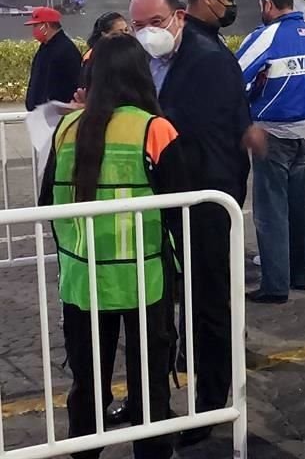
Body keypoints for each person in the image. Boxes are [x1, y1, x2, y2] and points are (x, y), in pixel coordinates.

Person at [40, 33, 189, 459]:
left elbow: (45, 203)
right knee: (150, 383)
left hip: (82, 279)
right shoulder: (155, 129)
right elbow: (181, 206)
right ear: (141, 75)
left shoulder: (67, 128)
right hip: (146, 279)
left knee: (88, 386)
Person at [129, 0, 251, 446]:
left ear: (178, 15)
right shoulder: (147, 60)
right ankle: (152, 403)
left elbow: (198, 132)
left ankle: (211, 404)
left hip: (205, 200)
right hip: (163, 198)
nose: (146, 34)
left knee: (206, 304)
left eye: (155, 23)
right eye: (138, 26)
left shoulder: (208, 60)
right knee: (163, 305)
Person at [236, 0, 305, 303]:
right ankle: (298, 274)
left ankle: (275, 285)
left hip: (271, 132)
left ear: (267, 4)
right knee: (296, 208)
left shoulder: (265, 37)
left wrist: (256, 93)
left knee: (270, 212)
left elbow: (234, 74)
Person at [24, 6, 82, 111]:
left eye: (36, 25)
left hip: (57, 114)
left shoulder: (66, 50)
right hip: (43, 113)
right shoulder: (46, 47)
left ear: (46, 25)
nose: (34, 30)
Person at [80, 12, 131, 92]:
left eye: (126, 30)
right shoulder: (92, 57)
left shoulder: (130, 52)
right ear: (104, 34)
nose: (125, 35)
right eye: (120, 32)